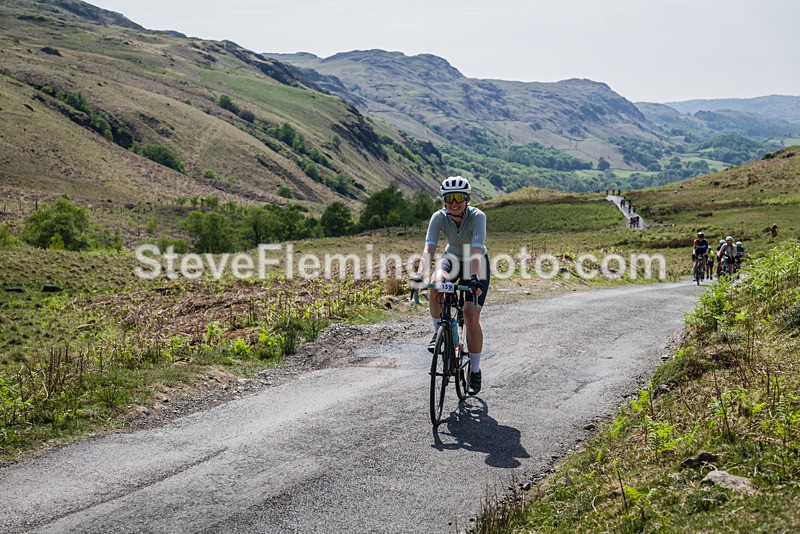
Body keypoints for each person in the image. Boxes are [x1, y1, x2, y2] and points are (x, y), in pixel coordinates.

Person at [413, 176, 489, 395]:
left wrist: (473, 279)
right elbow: (429, 250)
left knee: (470, 314)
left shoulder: (477, 216)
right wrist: (420, 276)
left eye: (458, 197)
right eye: (449, 198)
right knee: (437, 284)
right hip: (452, 259)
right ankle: (439, 332)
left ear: (468, 199)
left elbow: (476, 251)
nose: (454, 203)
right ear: (444, 200)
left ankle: (475, 370)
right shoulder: (438, 217)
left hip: (477, 262)